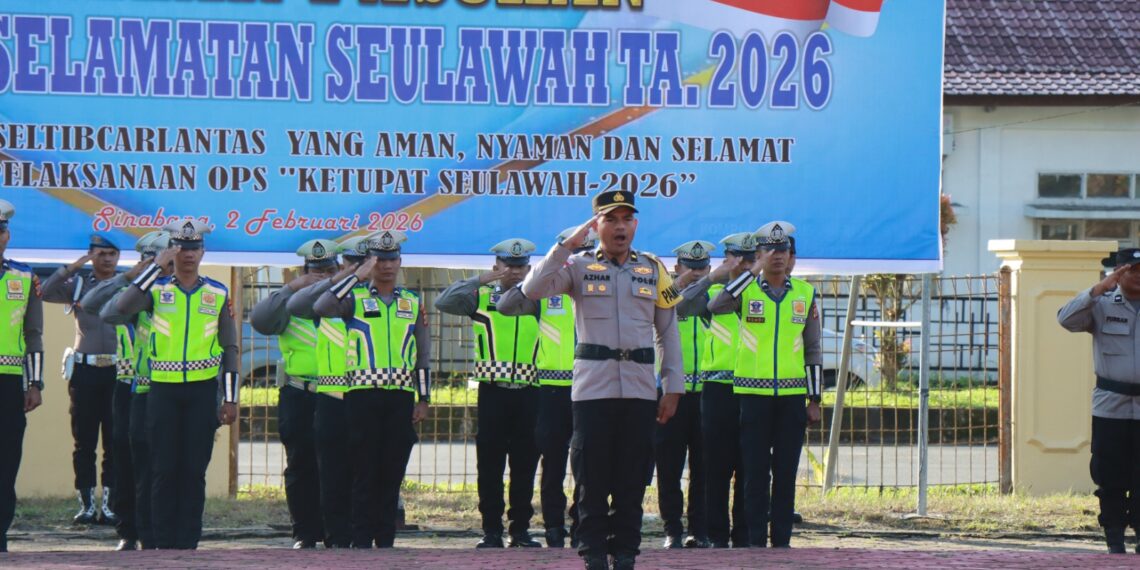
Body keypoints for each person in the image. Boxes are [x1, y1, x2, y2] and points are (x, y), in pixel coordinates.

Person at [522, 190, 684, 570]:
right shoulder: (577, 266)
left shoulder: (652, 268)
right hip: (593, 389)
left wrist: (673, 385)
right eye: (611, 219)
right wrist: (565, 246)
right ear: (596, 226)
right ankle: (593, 550)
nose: (620, 227)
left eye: (627, 219)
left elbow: (668, 331)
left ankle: (626, 550)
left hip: (642, 387)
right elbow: (532, 289)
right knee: (591, 473)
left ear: (636, 225)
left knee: (633, 472)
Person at [115, 219, 239, 550]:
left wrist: (230, 398)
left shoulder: (217, 292)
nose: (187, 255)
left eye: (193, 248)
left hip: (201, 392)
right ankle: (160, 543)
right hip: (163, 391)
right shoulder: (156, 290)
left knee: (193, 470)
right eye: (181, 248)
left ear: (203, 251)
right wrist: (154, 268)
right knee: (163, 469)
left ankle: (187, 544)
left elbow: (230, 348)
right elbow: (116, 310)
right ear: (172, 251)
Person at [708, 220, 822, 549]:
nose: (776, 256)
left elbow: (813, 349)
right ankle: (756, 543)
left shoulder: (804, 294)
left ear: (790, 256)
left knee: (785, 473)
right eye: (769, 250)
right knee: (756, 473)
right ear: (759, 255)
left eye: (782, 250)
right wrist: (749, 273)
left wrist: (814, 399)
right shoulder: (747, 291)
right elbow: (716, 307)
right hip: (752, 396)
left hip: (791, 398)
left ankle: (782, 542)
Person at [314, 230, 431, 549]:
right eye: (380, 259)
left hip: (401, 397)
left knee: (392, 469)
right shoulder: (355, 298)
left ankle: (386, 537)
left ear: (400, 262)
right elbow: (323, 306)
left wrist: (423, 397)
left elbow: (422, 353)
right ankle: (361, 537)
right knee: (364, 468)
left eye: (392, 259)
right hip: (362, 396)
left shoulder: (412, 301)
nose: (387, 266)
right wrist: (354, 277)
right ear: (370, 262)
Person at [437, 238, 543, 549]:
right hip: (493, 392)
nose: (514, 271)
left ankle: (520, 529)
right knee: (490, 464)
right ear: (496, 266)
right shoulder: (481, 297)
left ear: (529, 268)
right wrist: (478, 280)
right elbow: (444, 301)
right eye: (507, 265)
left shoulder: (540, 297)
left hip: (530, 391)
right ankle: (491, 530)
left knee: (525, 464)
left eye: (521, 266)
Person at [497, 226, 596, 548]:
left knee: (590, 462)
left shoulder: (603, 286)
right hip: (552, 389)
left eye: (590, 252)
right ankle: (554, 526)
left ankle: (584, 523)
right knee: (552, 462)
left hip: (592, 385)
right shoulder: (547, 290)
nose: (584, 259)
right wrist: (539, 275)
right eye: (577, 252)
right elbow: (507, 305)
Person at [80, 231, 171, 550]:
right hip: (127, 388)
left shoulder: (176, 293)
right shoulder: (128, 294)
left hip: (165, 389)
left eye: (157, 260)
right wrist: (128, 278)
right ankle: (128, 531)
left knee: (159, 464)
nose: (153, 266)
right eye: (146, 259)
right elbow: (91, 305)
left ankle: (156, 529)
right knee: (125, 461)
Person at [251, 239, 342, 549]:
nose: (323, 278)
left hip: (337, 391)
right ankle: (304, 532)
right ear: (304, 272)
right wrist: (293, 288)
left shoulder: (344, 297)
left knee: (337, 464)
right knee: (300, 463)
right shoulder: (290, 302)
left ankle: (336, 531)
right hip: (298, 391)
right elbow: (261, 320)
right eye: (316, 272)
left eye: (330, 270)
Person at [287, 235, 370, 549]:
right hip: (331, 395)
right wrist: (342, 279)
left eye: (362, 263)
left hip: (367, 393)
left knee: (364, 470)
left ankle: (363, 535)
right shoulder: (333, 295)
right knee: (329, 470)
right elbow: (297, 305)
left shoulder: (383, 297)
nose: (357, 268)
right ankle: (333, 537)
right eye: (351, 262)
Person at [676, 232, 756, 548]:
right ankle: (715, 534)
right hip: (718, 389)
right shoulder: (715, 294)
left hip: (753, 388)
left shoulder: (764, 292)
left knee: (749, 466)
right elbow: (680, 308)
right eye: (737, 259)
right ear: (726, 261)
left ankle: (745, 534)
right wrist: (712, 278)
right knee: (716, 467)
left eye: (750, 259)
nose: (744, 265)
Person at [1058, 247, 1140, 553]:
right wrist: (1096, 290)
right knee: (1111, 475)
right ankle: (1115, 539)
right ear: (1119, 273)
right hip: (1111, 406)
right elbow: (1066, 320)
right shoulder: (1102, 304)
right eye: (1134, 270)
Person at [41, 233, 126, 526]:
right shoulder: (79, 284)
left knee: (115, 440)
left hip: (118, 371)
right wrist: (73, 267)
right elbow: (45, 292)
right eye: (100, 253)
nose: (106, 259)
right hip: (85, 372)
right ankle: (87, 505)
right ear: (91, 254)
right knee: (84, 441)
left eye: (112, 254)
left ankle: (112, 505)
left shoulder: (127, 284)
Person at [654, 240, 714, 549]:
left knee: (703, 466)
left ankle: (699, 531)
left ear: (710, 269)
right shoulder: (664, 297)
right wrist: (680, 283)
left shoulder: (716, 297)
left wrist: (704, 283)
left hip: (706, 394)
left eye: (701, 267)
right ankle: (672, 530)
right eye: (688, 267)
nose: (694, 273)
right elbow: (668, 301)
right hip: (669, 393)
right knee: (669, 465)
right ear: (676, 267)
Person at [0, 199, 44, 553]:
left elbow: (33, 334)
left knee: (6, 459)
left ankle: (0, 533)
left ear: (6, 236)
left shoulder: (24, 276)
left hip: (9, 382)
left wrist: (35, 383)